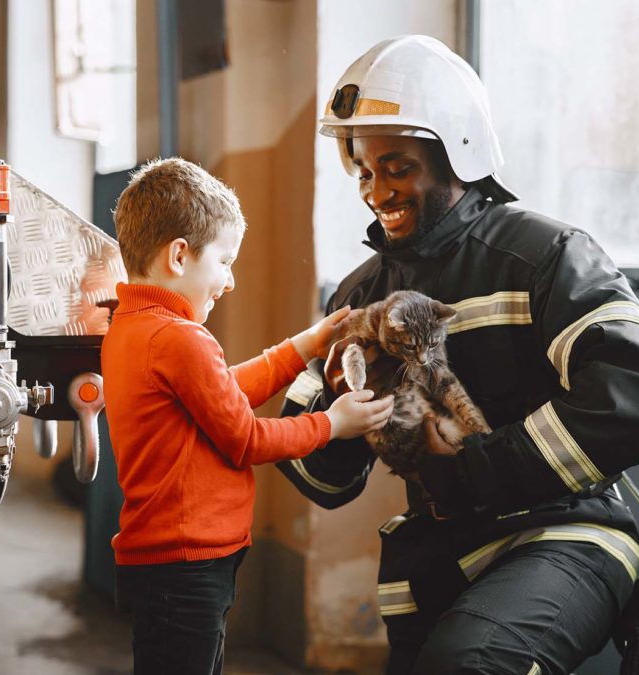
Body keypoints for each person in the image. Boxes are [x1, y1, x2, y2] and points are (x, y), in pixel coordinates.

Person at [278, 35, 639, 675]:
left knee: (470, 664)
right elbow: (321, 480)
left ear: (458, 155)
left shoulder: (548, 256)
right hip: (439, 554)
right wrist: (337, 403)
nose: (376, 191)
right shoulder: (359, 296)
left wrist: (473, 468)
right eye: (364, 170)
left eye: (397, 167)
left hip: (567, 534)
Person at [101, 157, 395, 675]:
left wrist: (305, 345)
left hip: (167, 561)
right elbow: (245, 438)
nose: (230, 281)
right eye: (224, 261)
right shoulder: (179, 339)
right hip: (187, 565)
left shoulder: (133, 327)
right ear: (179, 256)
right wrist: (333, 424)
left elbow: (223, 394)